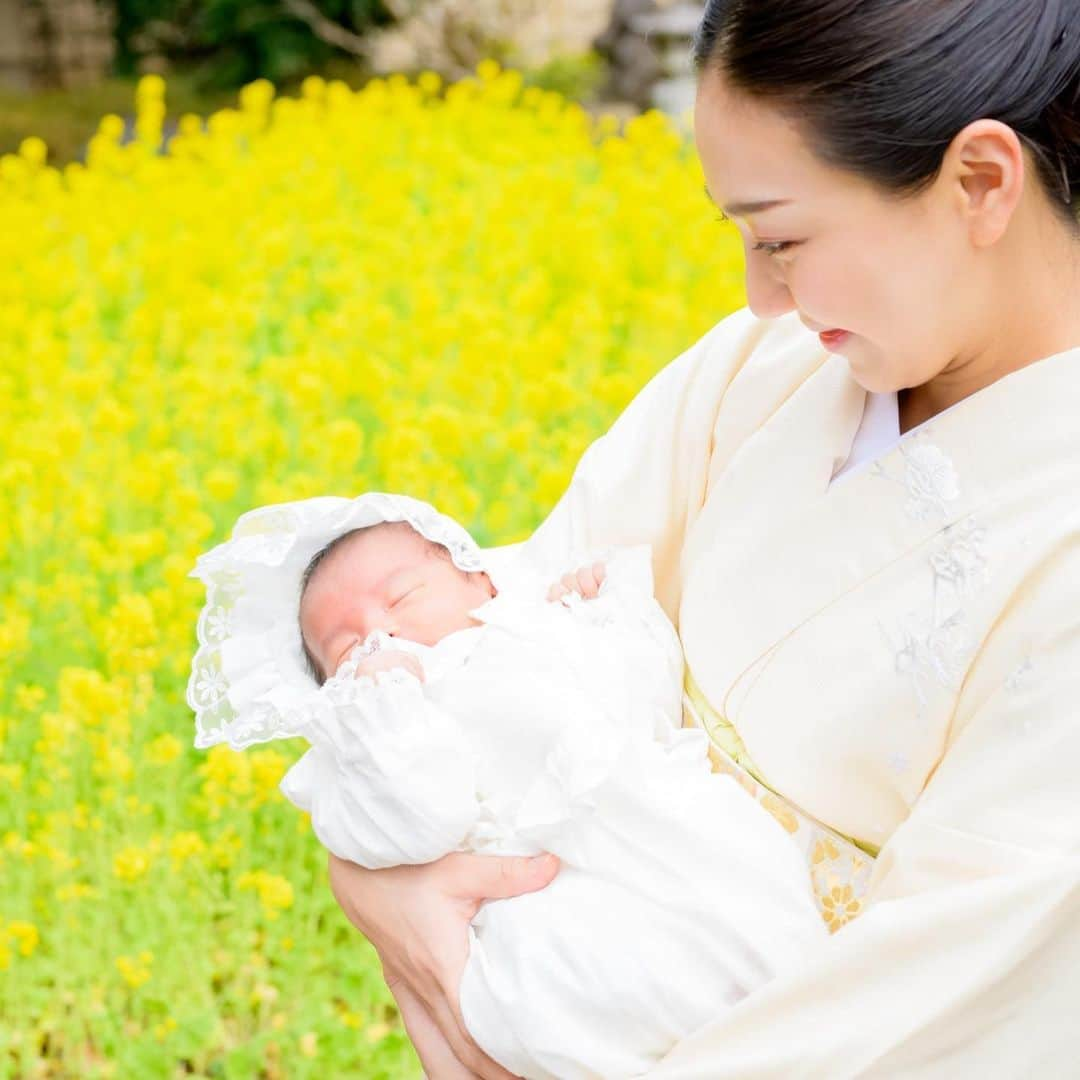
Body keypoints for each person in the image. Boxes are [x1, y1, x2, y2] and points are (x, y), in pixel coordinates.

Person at [327, 1, 1080, 1075]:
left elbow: (948, 1001)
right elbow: (494, 635)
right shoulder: (763, 375)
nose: (759, 295)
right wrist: (379, 869)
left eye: (782, 237)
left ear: (981, 182)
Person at [187, 493, 828, 1079]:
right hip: (557, 890)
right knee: (582, 988)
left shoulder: (534, 622)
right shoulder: (372, 739)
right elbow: (422, 818)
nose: (381, 635)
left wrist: (605, 614)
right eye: (345, 646)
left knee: (759, 907)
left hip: (664, 822)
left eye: (403, 597)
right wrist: (381, 707)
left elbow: (648, 696)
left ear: (482, 578)